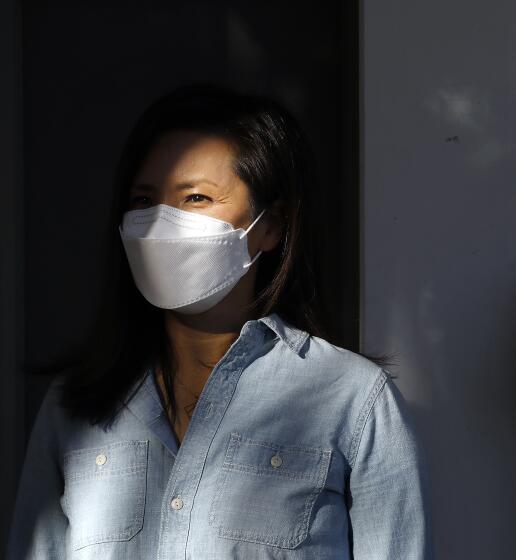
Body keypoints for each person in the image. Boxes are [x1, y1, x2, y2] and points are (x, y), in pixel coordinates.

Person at [7, 85, 429, 559]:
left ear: (271, 226)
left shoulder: (352, 400)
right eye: (144, 200)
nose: (162, 223)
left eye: (196, 198)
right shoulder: (73, 405)